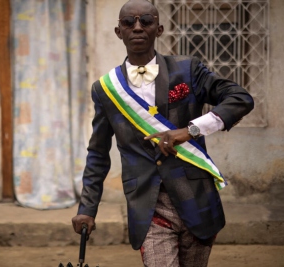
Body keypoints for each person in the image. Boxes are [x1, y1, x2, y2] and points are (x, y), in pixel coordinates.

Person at [71, 0, 254, 266]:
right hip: (148, 205)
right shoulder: (105, 89)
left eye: (146, 21)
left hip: (195, 197)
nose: (137, 27)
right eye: (128, 22)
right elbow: (98, 153)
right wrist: (87, 208)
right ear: (118, 31)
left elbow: (240, 98)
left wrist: (191, 130)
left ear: (159, 29)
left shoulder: (188, 70)